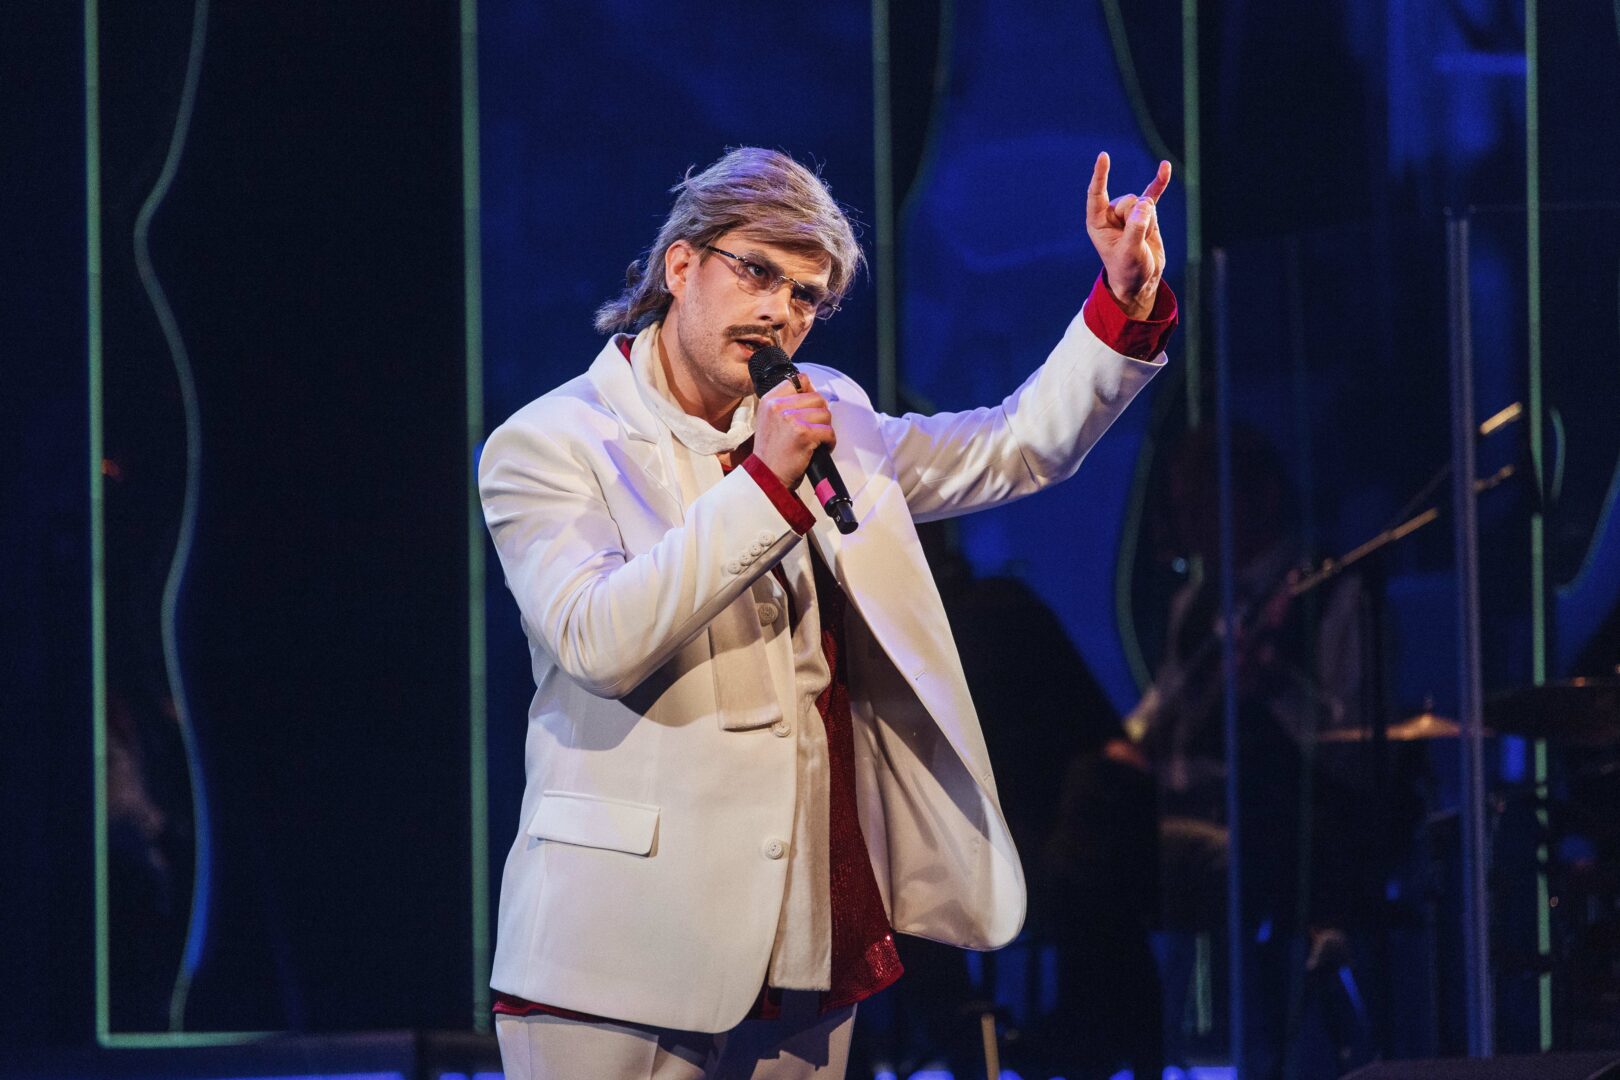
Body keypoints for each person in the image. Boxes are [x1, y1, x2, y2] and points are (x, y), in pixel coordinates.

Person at [477, 146, 1176, 1079]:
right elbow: (598, 639)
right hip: (621, 950)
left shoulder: (826, 412)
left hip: (804, 936)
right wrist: (766, 484)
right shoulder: (550, 443)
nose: (780, 311)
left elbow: (1011, 447)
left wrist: (1120, 306)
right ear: (680, 266)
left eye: (806, 296)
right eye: (756, 272)